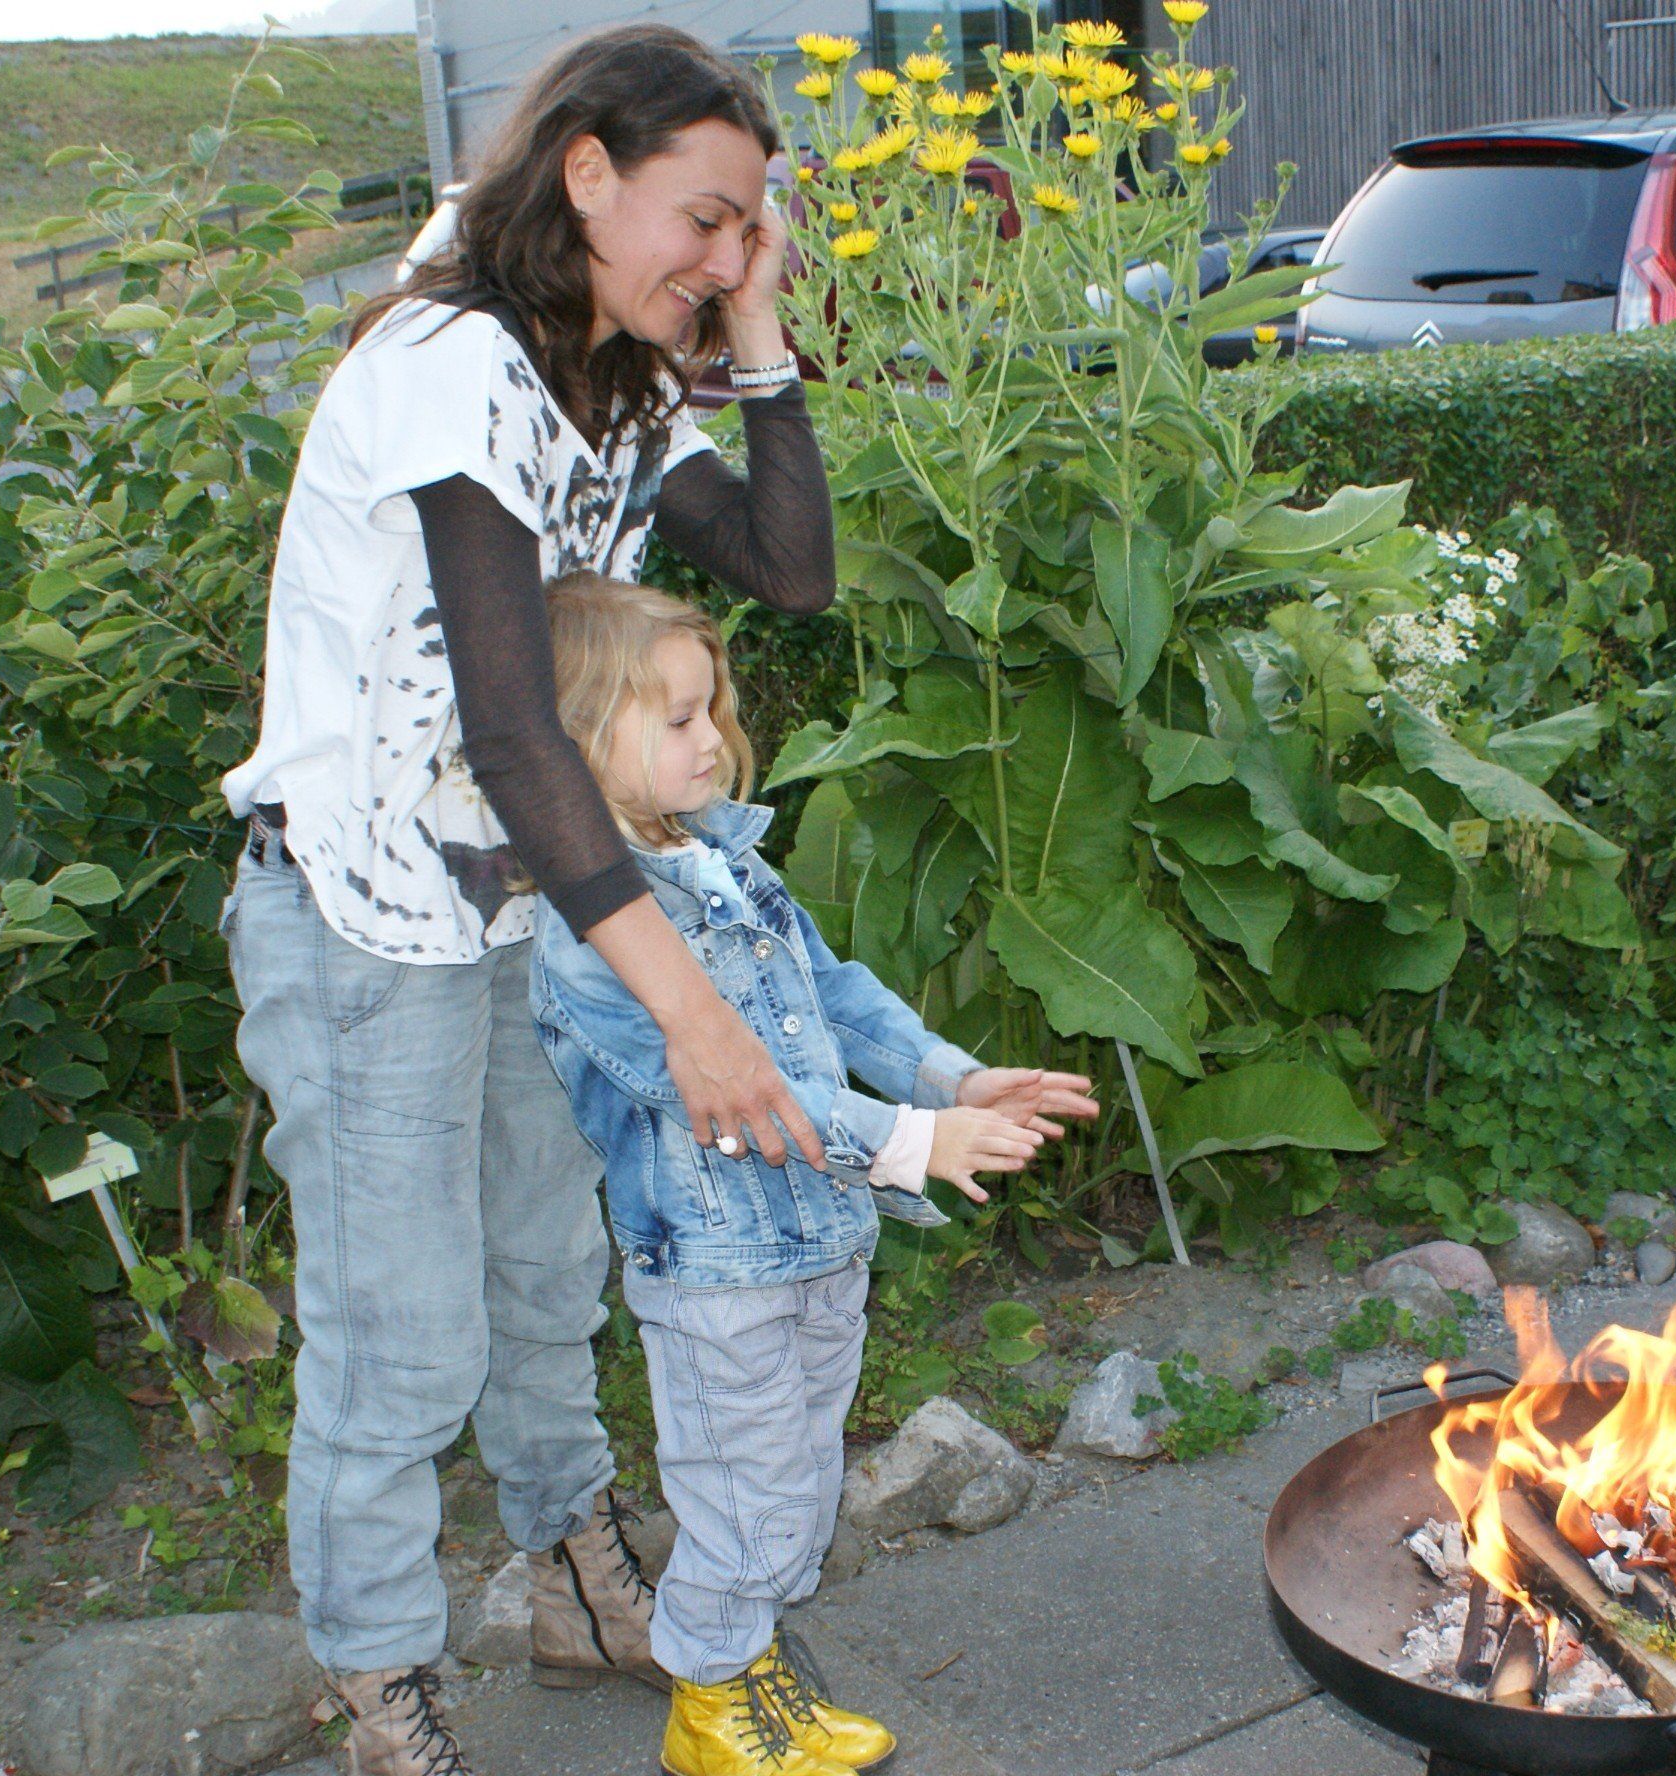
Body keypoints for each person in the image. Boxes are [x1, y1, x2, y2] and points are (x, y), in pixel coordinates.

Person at [219, 24, 847, 1774]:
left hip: (518, 906)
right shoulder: (454, 370)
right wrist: (691, 1013)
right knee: (401, 1338)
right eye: (703, 220)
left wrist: (755, 331)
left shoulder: (610, 385)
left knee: (549, 1271)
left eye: (747, 229)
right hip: (362, 925)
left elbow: (789, 570)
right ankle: (377, 1679)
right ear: (586, 173)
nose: (721, 254)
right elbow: (512, 728)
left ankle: (571, 1576)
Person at [532, 572, 1101, 1776]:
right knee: (745, 1495)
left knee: (793, 1484)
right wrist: (913, 1142)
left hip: (818, 1243)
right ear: (580, 741)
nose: (712, 737)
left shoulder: (723, 860)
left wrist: (953, 1080)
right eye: (676, 718)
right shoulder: (589, 938)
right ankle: (708, 1708)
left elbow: (835, 996)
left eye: (712, 707)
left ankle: (748, 1672)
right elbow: (734, 1100)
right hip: (721, 1274)